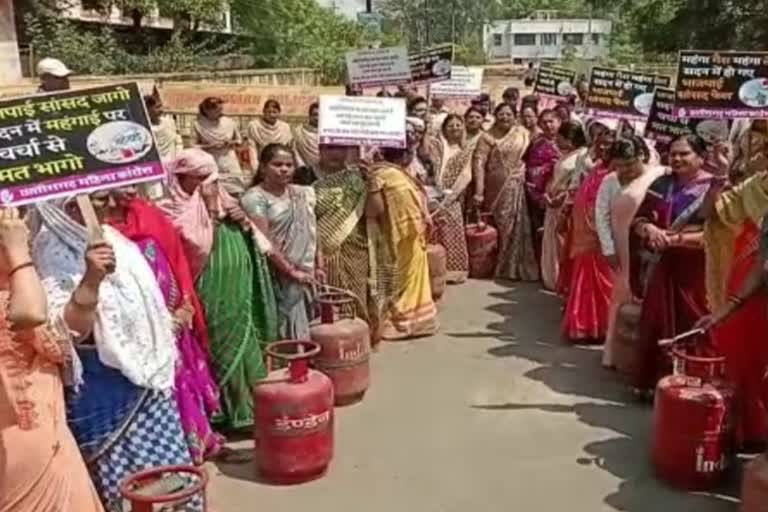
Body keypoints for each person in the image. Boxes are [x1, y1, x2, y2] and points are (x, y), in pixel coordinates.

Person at [33, 199, 199, 511]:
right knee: (131, 489)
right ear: (56, 209)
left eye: (94, 198)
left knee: (175, 484)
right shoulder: (50, 250)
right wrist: (92, 278)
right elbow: (68, 334)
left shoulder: (114, 239)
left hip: (151, 383)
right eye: (74, 205)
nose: (94, 207)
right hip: (104, 387)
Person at [97, 187, 223, 464]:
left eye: (134, 184)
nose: (128, 191)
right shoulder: (96, 236)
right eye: (121, 186)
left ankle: (198, 440)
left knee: (181, 374)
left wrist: (185, 302)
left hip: (173, 311)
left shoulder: (149, 216)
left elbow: (176, 258)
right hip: (139, 327)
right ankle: (173, 451)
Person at [162, 148, 278, 430]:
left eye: (211, 177)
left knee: (246, 339)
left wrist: (240, 219)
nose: (208, 184)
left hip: (239, 287)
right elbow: (192, 247)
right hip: (206, 287)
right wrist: (212, 211)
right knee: (218, 342)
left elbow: (254, 237)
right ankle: (226, 411)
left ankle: (252, 409)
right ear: (179, 178)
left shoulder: (225, 199)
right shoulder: (169, 209)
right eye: (200, 178)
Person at [0, 208, 104, 512]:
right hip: (22, 448)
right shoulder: (15, 297)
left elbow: (65, 337)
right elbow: (30, 314)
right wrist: (19, 253)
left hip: (45, 434)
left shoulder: (15, 291)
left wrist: (92, 279)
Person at [631, 134, 715, 392]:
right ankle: (656, 383)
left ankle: (696, 382)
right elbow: (638, 221)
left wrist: (676, 239)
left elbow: (716, 235)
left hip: (698, 271)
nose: (676, 158)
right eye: (673, 153)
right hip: (663, 266)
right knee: (658, 321)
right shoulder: (662, 183)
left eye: (684, 153)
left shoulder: (714, 189)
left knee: (695, 323)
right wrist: (650, 231)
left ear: (701, 157)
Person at [698, 170, 768, 449]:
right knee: (746, 359)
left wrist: (727, 309)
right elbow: (713, 214)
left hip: (750, 292)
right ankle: (752, 430)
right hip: (748, 290)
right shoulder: (753, 185)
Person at [242, 144, 318, 339]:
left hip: (304, 269)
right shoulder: (255, 198)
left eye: (289, 164)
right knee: (279, 323)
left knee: (307, 320)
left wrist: (318, 264)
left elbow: (312, 231)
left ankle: (302, 360)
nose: (284, 169)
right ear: (263, 167)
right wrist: (291, 272)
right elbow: (264, 241)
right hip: (274, 272)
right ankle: (283, 363)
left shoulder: (302, 193)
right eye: (277, 164)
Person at [366, 146, 438, 340]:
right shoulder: (384, 175)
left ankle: (418, 321)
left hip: (412, 235)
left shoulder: (399, 174)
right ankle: (400, 322)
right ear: (406, 156)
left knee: (410, 278)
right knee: (398, 278)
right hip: (397, 236)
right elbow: (375, 209)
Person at [561, 131, 618, 343]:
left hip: (601, 237)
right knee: (584, 282)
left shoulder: (616, 174)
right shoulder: (597, 168)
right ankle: (585, 326)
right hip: (583, 233)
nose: (603, 148)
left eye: (608, 145)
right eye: (600, 144)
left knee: (603, 283)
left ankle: (601, 327)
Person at [473, 102, 538, 281]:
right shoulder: (486, 137)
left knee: (515, 225)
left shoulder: (523, 134)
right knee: (499, 225)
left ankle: (513, 265)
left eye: (508, 114)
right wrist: (479, 191)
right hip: (494, 187)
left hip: (516, 185)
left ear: (515, 116)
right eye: (501, 114)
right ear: (495, 115)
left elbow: (532, 156)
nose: (504, 117)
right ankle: (498, 265)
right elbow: (479, 164)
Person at [314, 144, 373, 325]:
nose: (334, 153)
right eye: (329, 148)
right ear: (320, 150)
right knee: (328, 299)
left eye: (340, 148)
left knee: (356, 293)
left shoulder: (359, 177)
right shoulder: (304, 175)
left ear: (348, 152)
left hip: (355, 246)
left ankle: (358, 335)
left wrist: (372, 183)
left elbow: (374, 212)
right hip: (320, 249)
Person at [540, 121, 588, 291]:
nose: (556, 140)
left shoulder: (582, 156)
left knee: (562, 243)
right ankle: (552, 278)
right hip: (553, 203)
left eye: (559, 137)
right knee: (552, 241)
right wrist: (548, 193)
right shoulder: (566, 155)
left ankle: (562, 280)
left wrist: (562, 198)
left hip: (565, 205)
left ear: (569, 139)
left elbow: (577, 184)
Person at [427, 114, 474, 283]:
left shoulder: (466, 150)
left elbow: (466, 175)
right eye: (451, 125)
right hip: (433, 195)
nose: (455, 128)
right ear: (444, 128)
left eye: (458, 125)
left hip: (453, 198)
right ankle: (435, 271)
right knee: (434, 232)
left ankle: (454, 271)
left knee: (452, 231)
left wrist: (450, 195)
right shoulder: (437, 146)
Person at [525, 109, 562, 259]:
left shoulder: (566, 141)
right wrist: (548, 167)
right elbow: (529, 166)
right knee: (540, 231)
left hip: (561, 195)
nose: (548, 125)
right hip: (539, 193)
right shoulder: (536, 142)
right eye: (544, 122)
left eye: (551, 121)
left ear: (559, 122)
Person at [193, 97, 246, 195]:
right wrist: (209, 146)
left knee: (234, 192)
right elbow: (193, 147)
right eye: (217, 110)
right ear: (207, 110)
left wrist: (230, 142)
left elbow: (239, 141)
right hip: (209, 162)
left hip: (229, 161)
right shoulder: (198, 125)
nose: (220, 112)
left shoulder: (229, 122)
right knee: (211, 195)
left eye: (221, 109)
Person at [143, 94, 183, 199]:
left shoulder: (168, 122)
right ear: (147, 109)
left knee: (173, 192)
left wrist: (178, 157)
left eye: (161, 106)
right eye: (157, 107)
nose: (161, 110)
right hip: (153, 165)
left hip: (171, 163)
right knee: (155, 195)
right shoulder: (143, 128)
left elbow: (177, 140)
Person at [247, 99, 294, 173]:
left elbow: (288, 149)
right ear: (264, 112)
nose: (271, 115)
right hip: (262, 165)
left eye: (274, 112)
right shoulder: (254, 126)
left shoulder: (285, 127)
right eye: (269, 112)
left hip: (281, 166)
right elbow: (252, 149)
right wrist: (256, 169)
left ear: (279, 113)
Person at [293, 102, 320, 184]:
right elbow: (295, 151)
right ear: (309, 116)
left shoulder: (329, 133)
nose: (317, 118)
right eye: (315, 114)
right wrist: (302, 168)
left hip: (326, 173)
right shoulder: (299, 131)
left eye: (320, 115)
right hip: (304, 174)